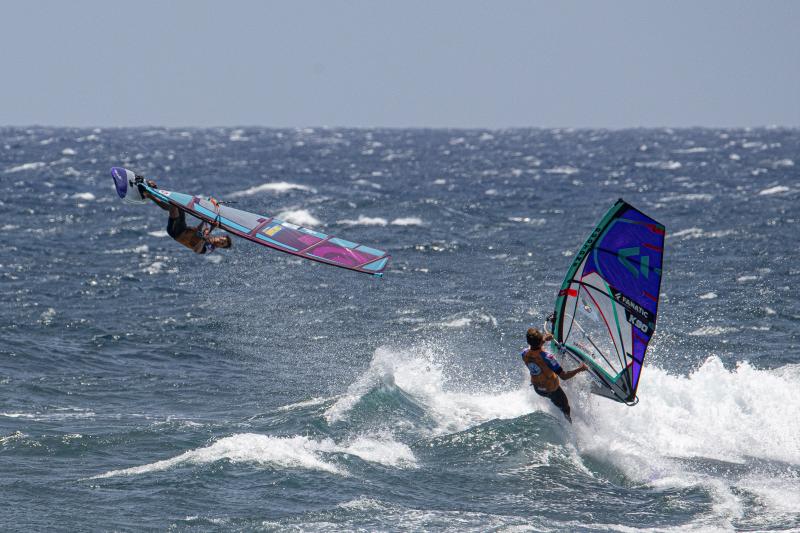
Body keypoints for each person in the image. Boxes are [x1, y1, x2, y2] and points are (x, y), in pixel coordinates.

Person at [141, 179, 232, 254]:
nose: (220, 241)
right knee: (178, 205)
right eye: (222, 239)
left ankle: (148, 194)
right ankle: (153, 192)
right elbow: (198, 230)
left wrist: (205, 237)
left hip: (176, 233)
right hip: (183, 227)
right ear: (221, 236)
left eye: (222, 243)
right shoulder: (209, 233)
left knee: (173, 206)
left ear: (220, 247)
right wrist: (206, 221)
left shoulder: (210, 248)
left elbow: (197, 250)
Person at [521, 327, 587, 423]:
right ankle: (569, 426)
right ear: (539, 342)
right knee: (566, 408)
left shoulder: (524, 353)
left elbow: (535, 348)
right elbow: (564, 376)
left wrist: (543, 339)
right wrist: (580, 369)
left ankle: (553, 404)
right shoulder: (547, 357)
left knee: (553, 397)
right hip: (551, 390)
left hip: (538, 389)